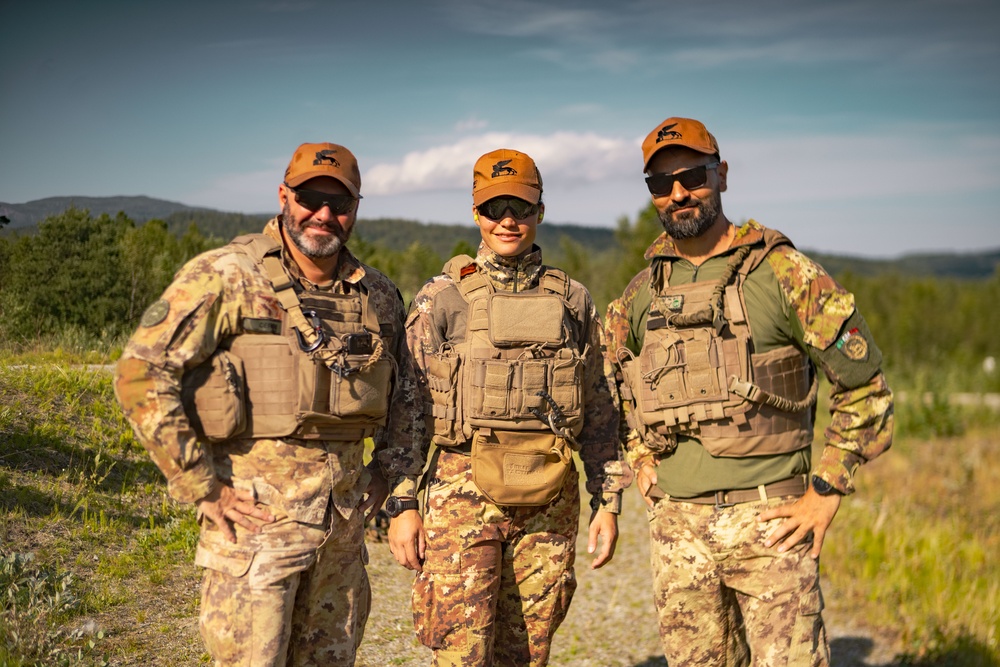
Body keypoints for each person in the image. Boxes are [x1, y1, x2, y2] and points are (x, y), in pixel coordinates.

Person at [114, 142, 419, 666]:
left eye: (339, 203)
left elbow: (407, 396)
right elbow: (142, 372)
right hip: (256, 534)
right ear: (284, 195)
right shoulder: (228, 276)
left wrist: (390, 473)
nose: (324, 214)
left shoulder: (378, 296)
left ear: (356, 210)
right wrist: (200, 486)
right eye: (310, 198)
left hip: (340, 543)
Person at [604, 117, 894, 665]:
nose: (678, 193)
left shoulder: (784, 273)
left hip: (771, 528)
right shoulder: (644, 292)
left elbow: (866, 389)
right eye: (660, 184)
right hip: (678, 536)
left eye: (693, 175)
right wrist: (640, 456)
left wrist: (826, 492)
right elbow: (612, 384)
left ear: (723, 175)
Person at [383, 148, 631, 666]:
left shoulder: (574, 301)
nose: (508, 220)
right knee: (461, 653)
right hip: (461, 496)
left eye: (520, 206)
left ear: (540, 210)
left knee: (527, 655)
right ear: (476, 213)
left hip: (549, 499)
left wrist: (608, 501)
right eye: (495, 208)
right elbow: (407, 412)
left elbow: (600, 409)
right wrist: (403, 503)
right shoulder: (441, 298)